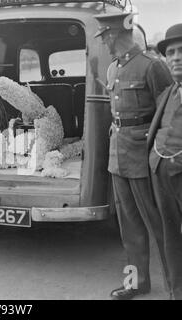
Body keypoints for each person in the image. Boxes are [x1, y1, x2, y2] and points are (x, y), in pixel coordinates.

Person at [94, 12, 173, 300]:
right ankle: (137, 283)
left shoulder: (153, 67)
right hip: (120, 157)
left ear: (113, 35)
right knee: (130, 228)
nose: (102, 43)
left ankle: (176, 285)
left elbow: (170, 116)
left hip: (145, 158)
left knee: (161, 224)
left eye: (103, 37)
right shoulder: (112, 69)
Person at [147, 23, 182, 300]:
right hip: (160, 170)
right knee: (171, 234)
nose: (176, 58)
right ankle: (176, 290)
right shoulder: (167, 92)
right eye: (171, 52)